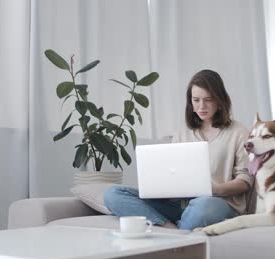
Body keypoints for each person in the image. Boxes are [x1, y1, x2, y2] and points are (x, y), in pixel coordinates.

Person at [103, 69, 254, 230]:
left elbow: (245, 181)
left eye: (208, 100)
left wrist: (214, 190)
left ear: (219, 100)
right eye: (196, 100)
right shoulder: (182, 133)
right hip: (180, 204)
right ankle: (170, 228)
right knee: (112, 194)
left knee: (203, 205)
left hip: (217, 204)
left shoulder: (239, 132)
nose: (201, 106)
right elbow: (172, 171)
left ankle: (175, 233)